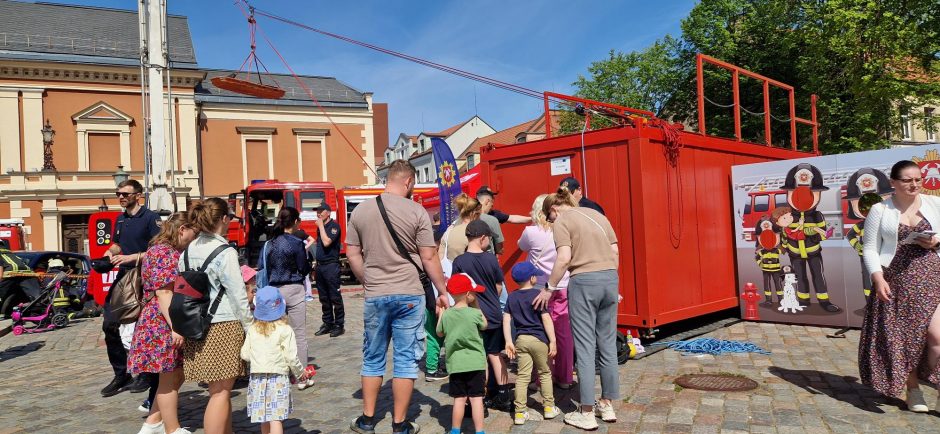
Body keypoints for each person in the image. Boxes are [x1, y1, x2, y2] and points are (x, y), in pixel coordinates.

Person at [346, 160, 449, 434]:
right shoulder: (417, 212)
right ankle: (400, 423)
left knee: (372, 357)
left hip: (376, 292)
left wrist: (366, 279)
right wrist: (442, 290)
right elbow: (429, 256)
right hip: (409, 293)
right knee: (405, 359)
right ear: (408, 181)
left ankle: (367, 420)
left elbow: (352, 253)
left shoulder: (360, 211)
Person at [535, 187, 620, 430]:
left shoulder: (563, 221)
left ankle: (586, 411)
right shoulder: (599, 216)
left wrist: (549, 288)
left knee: (583, 347)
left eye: (549, 218)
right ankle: (607, 404)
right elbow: (615, 251)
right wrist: (612, 280)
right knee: (607, 344)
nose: (551, 222)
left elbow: (563, 257)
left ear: (554, 209)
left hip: (584, 281)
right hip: (609, 279)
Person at [859, 160, 940, 413]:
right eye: (907, 180)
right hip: (895, 280)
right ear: (893, 182)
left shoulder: (935, 203)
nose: (914, 184)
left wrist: (936, 241)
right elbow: (870, 248)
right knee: (904, 340)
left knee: (937, 336)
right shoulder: (880, 210)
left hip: (931, 277)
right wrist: (877, 277)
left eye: (918, 179)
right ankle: (913, 389)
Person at [181, 198, 252, 434]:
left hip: (197, 324)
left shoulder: (188, 250)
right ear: (223, 219)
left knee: (217, 389)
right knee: (221, 392)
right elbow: (238, 294)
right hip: (223, 324)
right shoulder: (225, 251)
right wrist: (250, 327)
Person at [128, 212, 197, 434]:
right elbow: (164, 293)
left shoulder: (161, 250)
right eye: (192, 235)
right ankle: (172, 429)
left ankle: (152, 424)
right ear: (182, 230)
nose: (192, 241)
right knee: (168, 376)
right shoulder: (165, 252)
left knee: (174, 373)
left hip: (158, 317)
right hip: (161, 320)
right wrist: (175, 327)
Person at [102, 179, 161, 399]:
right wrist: (110, 253)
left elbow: (157, 252)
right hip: (124, 276)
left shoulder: (150, 219)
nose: (120, 197)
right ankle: (121, 373)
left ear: (138, 195)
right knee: (109, 324)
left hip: (144, 278)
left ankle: (146, 374)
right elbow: (117, 244)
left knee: (143, 327)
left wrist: (131, 257)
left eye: (125, 194)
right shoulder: (120, 219)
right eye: (118, 193)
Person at [452, 220, 511, 411]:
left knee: (479, 357)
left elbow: (456, 290)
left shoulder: (459, 261)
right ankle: (503, 395)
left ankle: (479, 397)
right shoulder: (491, 259)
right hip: (493, 313)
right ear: (484, 238)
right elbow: (499, 286)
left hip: (472, 315)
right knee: (495, 354)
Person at [518, 194, 573, 389]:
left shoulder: (531, 232)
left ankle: (542, 378)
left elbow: (521, 246)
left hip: (539, 288)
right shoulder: (564, 230)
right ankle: (566, 377)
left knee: (540, 333)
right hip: (563, 285)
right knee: (564, 333)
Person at [241, 285, 310, 434]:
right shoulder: (285, 329)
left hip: (257, 379)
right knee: (276, 418)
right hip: (278, 378)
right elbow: (291, 356)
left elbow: (245, 354)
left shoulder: (253, 329)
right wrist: (300, 373)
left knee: (264, 418)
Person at [259, 207, 314, 375]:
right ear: (296, 222)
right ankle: (301, 373)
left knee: (274, 332)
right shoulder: (296, 243)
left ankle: (278, 369)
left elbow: (261, 268)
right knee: (299, 333)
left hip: (274, 290)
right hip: (294, 288)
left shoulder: (268, 244)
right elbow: (303, 268)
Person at [504, 262, 559, 425]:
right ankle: (549, 408)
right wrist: (553, 340)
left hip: (521, 340)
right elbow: (546, 319)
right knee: (544, 373)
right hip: (539, 340)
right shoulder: (538, 294)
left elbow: (506, 319)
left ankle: (520, 413)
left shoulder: (512, 296)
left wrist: (508, 341)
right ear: (532, 278)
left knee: (522, 376)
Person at [436, 273, 488, 434]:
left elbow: (439, 332)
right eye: (473, 292)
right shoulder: (474, 314)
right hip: (475, 363)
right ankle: (479, 431)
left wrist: (443, 313)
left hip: (456, 365)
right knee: (476, 399)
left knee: (459, 399)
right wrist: (477, 306)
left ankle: (455, 430)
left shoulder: (448, 314)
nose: (475, 294)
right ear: (467, 294)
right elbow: (485, 325)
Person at [312, 203, 345, 338]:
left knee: (334, 297)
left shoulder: (334, 226)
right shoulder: (322, 228)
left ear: (329, 213)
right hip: (320, 266)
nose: (318, 213)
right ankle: (327, 323)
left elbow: (327, 243)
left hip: (331, 266)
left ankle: (339, 325)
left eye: (321, 211)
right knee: (324, 297)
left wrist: (320, 226)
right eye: (317, 211)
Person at [0, 239, 41, 318]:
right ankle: (40, 312)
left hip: (11, 273)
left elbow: (0, 270)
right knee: (36, 297)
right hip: (27, 273)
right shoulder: (8, 252)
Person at [442, 193, 483, 261]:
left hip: (452, 270)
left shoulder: (448, 232)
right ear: (474, 214)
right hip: (471, 270)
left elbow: (440, 256)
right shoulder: (478, 233)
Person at [473, 187, 507, 254]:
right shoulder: (492, 220)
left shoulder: (465, 218)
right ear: (487, 201)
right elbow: (500, 250)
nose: (492, 206)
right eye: (492, 203)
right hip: (487, 260)